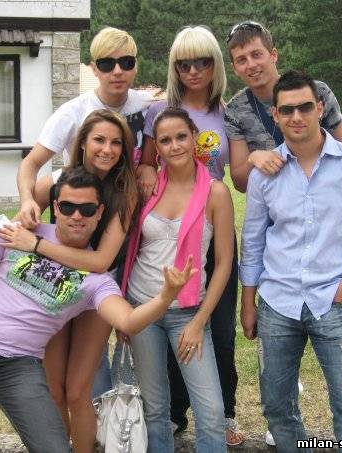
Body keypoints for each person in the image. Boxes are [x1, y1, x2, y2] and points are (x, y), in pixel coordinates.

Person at [0, 167, 196, 453]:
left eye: (87, 209)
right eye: (68, 207)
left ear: (99, 213)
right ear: (56, 208)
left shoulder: (96, 279)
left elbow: (129, 321)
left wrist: (165, 297)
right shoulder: (20, 234)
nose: (77, 216)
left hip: (18, 368)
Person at [239, 70, 342, 452]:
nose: (297, 117)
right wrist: (248, 302)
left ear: (320, 108)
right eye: (287, 110)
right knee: (277, 406)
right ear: (275, 115)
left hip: (334, 299)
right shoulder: (264, 175)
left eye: (305, 107)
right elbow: (253, 241)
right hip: (278, 301)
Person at [0, 110, 139, 453]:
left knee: (78, 390)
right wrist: (27, 204)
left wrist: (38, 245)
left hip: (94, 294)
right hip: (52, 289)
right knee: (53, 388)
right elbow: (22, 221)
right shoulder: (57, 180)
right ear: (82, 142)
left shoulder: (124, 192)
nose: (107, 149)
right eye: (99, 140)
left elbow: (100, 262)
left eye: (116, 143)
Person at [138, 26, 244, 445]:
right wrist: (146, 169)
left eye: (203, 61)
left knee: (218, 329)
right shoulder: (158, 111)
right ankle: (174, 415)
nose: (194, 70)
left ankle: (224, 412)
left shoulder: (227, 113)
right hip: (169, 222)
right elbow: (146, 164)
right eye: (184, 64)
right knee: (166, 324)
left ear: (216, 65)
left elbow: (239, 168)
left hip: (210, 219)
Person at [121, 107, 234, 452]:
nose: (175, 146)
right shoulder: (148, 186)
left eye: (181, 137)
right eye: (165, 140)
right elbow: (129, 247)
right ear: (157, 146)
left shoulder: (215, 192)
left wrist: (200, 322)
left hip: (188, 313)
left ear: (194, 138)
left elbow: (224, 263)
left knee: (211, 412)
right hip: (143, 309)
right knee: (155, 409)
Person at [16, 26, 151, 230]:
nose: (117, 71)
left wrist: (149, 167)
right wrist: (27, 200)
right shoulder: (71, 113)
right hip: (80, 213)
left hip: (127, 210)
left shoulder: (147, 106)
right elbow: (31, 162)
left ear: (135, 66)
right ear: (94, 69)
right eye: (107, 64)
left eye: (126, 62)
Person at [224, 20, 342, 193]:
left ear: (273, 55)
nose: (251, 65)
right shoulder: (235, 111)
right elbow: (240, 184)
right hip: (275, 204)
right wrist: (253, 159)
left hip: (328, 195)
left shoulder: (317, 93)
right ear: (234, 68)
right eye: (242, 60)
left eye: (256, 54)